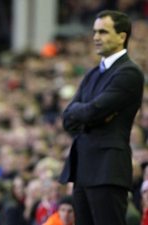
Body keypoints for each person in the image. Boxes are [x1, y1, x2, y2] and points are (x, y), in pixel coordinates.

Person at [59, 10, 144, 225]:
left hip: (108, 168)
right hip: (83, 167)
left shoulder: (129, 72)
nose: (96, 37)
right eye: (95, 31)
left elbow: (92, 111)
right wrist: (86, 113)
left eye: (103, 32)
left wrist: (84, 112)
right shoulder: (93, 73)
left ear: (122, 36)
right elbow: (68, 118)